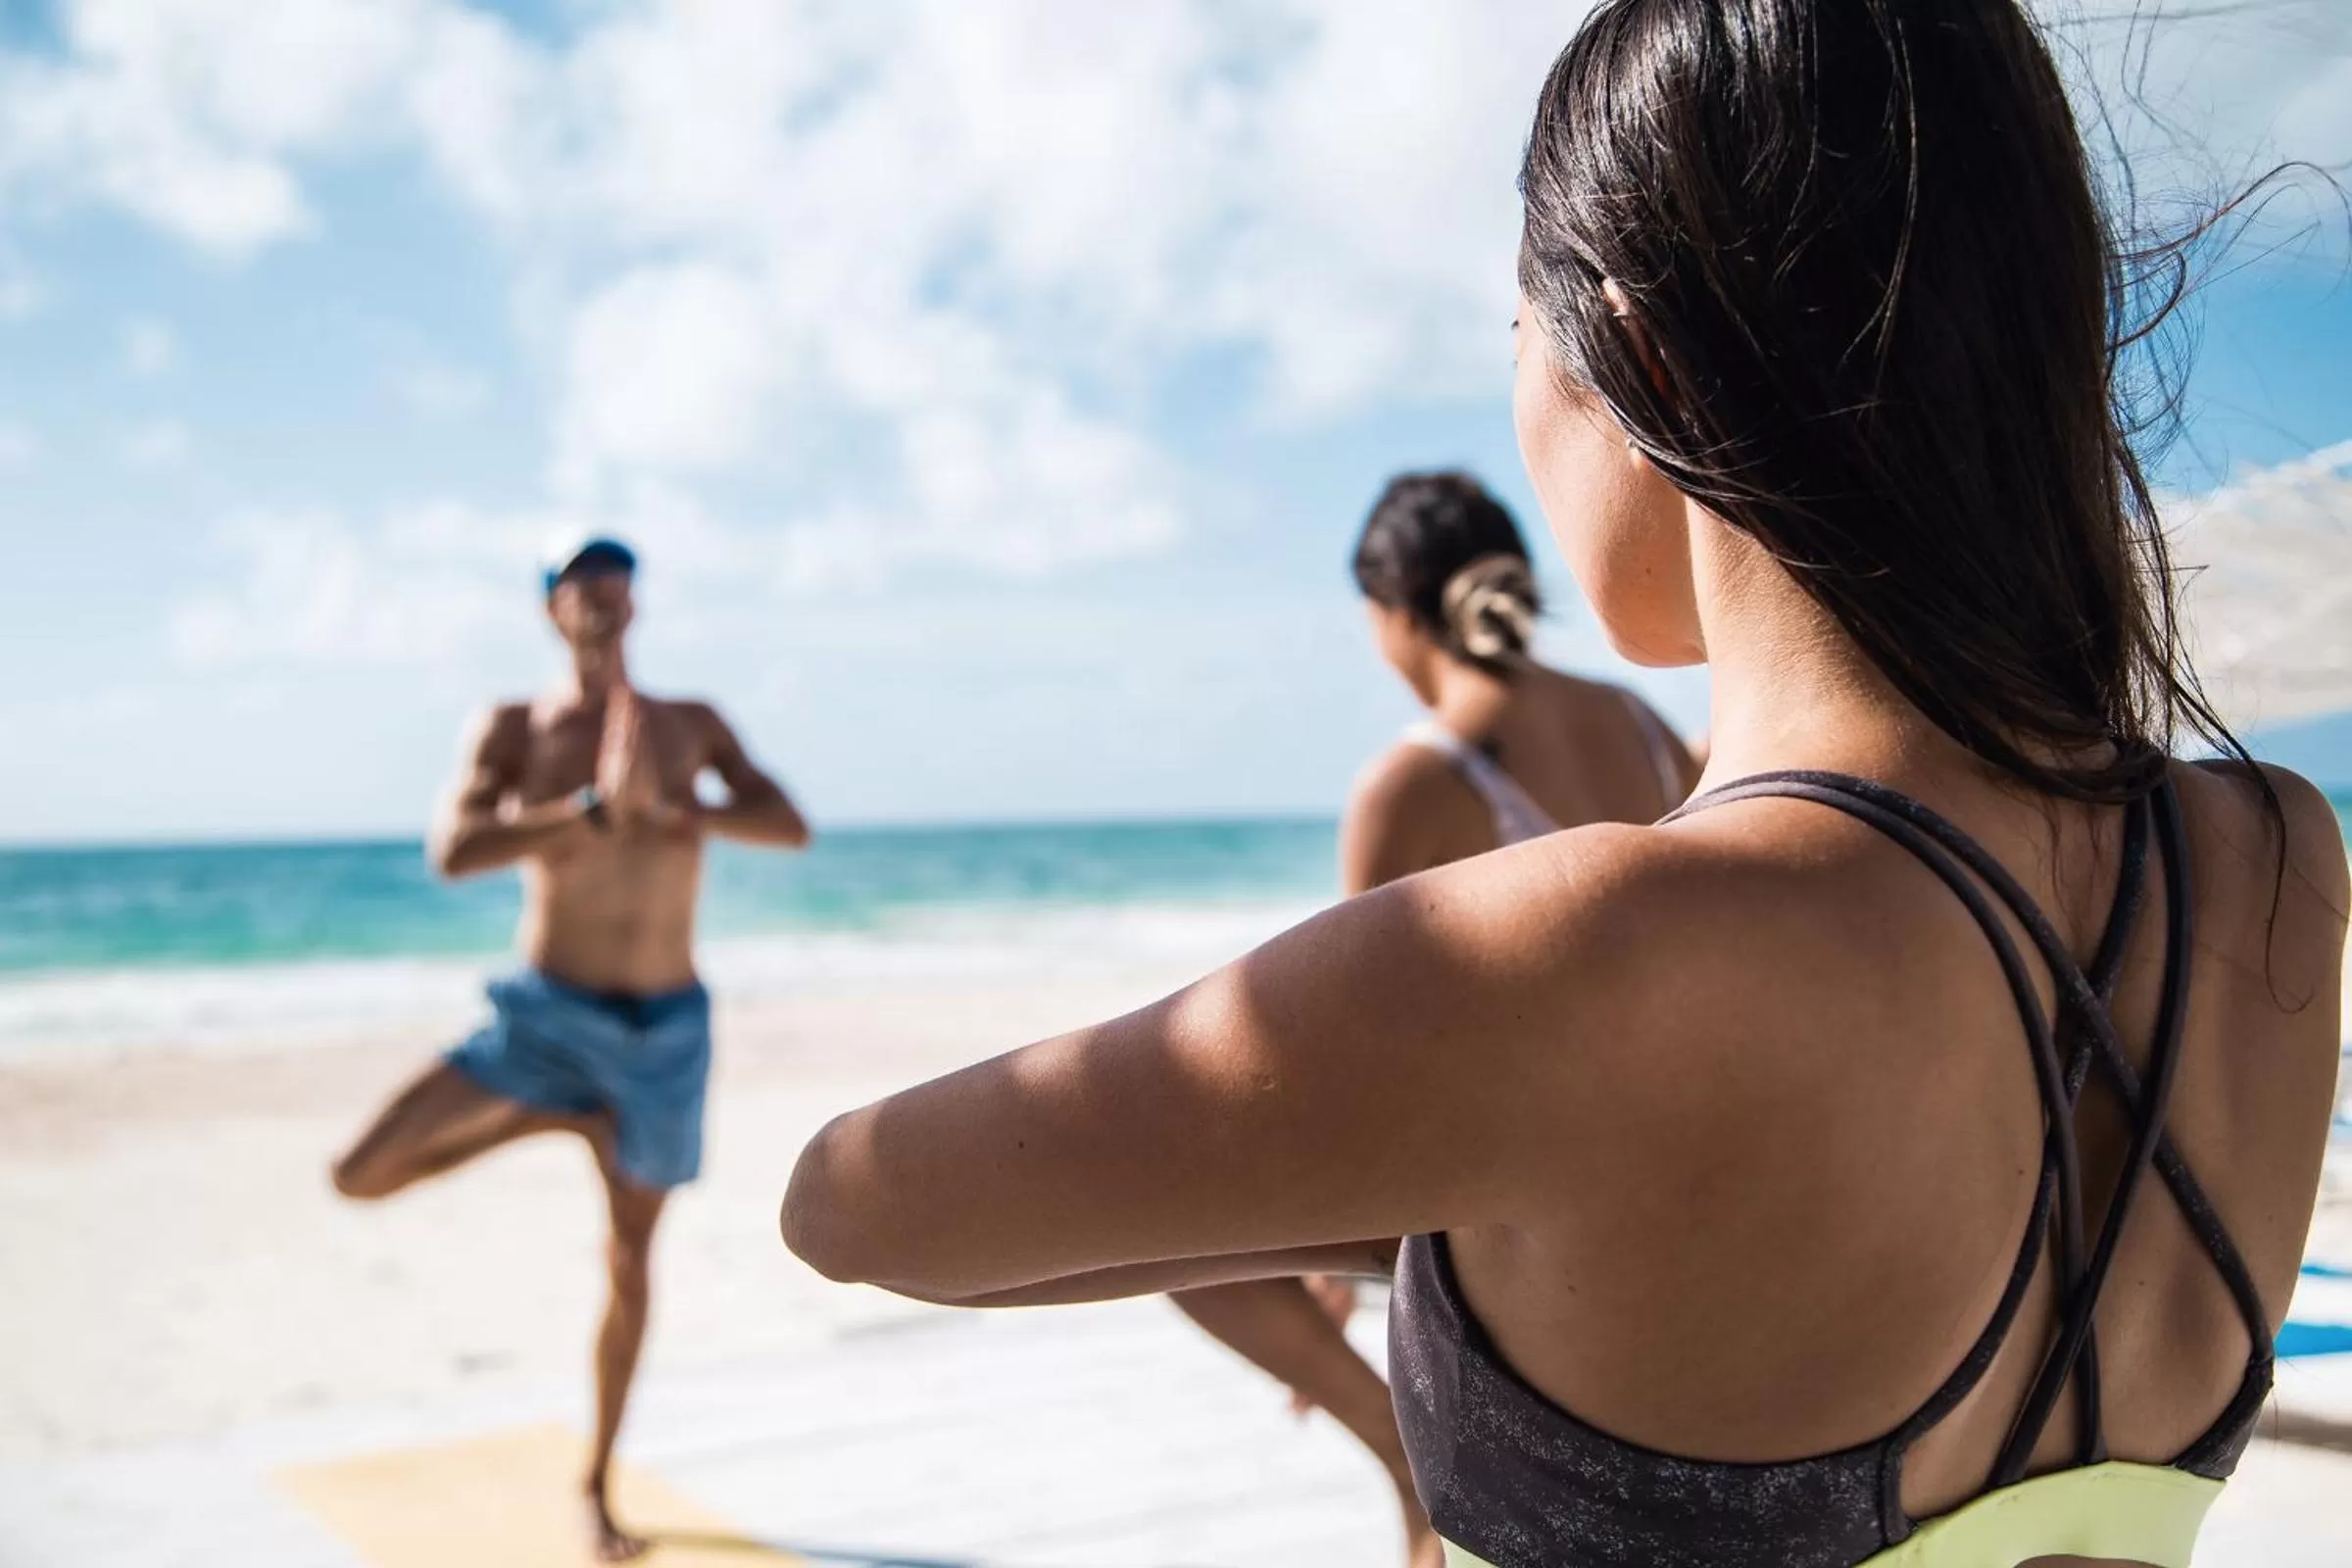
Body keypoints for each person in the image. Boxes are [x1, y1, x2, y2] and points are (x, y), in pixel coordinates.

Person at [779, 2, 2348, 1564]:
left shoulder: (1580, 959)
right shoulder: (2273, 863)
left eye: (1516, 341)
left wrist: (1436, 1143)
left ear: (1639, 345)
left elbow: (853, 1206)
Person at [1167, 469, 1695, 1567]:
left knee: (1177, 1236)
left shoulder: (1420, 778)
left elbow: (1338, 1064)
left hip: (1513, 1188)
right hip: (1678, 1148)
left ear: (1401, 614)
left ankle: (1399, 1452)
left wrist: (1326, 1252)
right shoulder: (1643, 722)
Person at [331, 535, 809, 1562]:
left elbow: (788, 824)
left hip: (665, 1029)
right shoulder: (515, 724)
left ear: (636, 603)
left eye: (616, 580)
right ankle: (554, 1115)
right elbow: (455, 852)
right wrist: (589, 811)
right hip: (546, 1017)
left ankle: (595, 1487)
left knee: (631, 1265)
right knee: (360, 1174)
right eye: (580, 582)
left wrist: (678, 808)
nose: (602, 596)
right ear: (550, 607)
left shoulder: (690, 725)